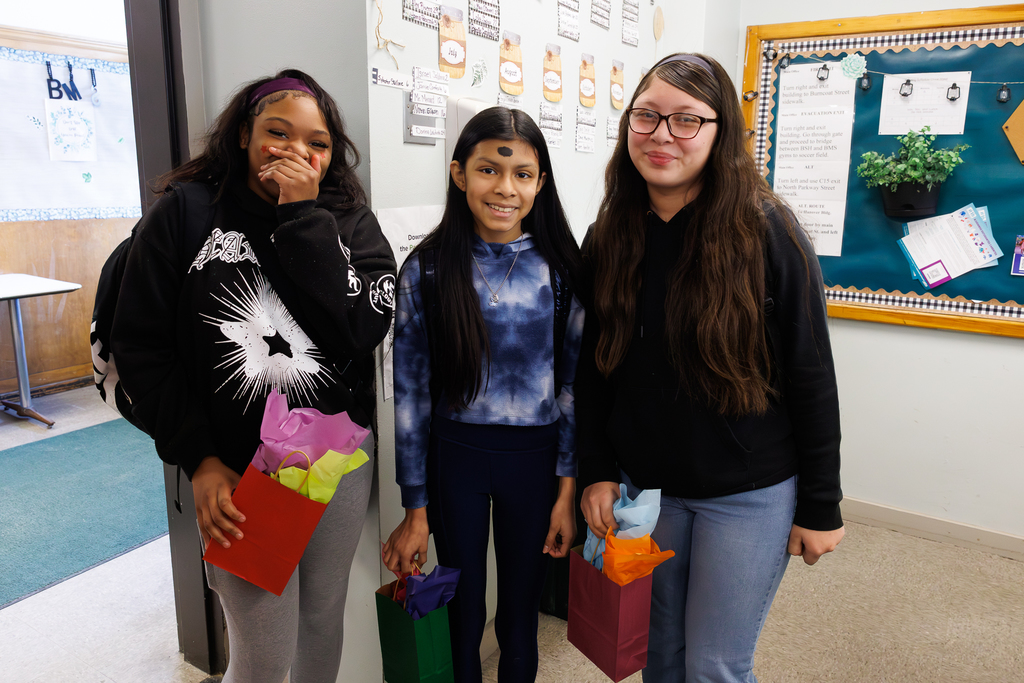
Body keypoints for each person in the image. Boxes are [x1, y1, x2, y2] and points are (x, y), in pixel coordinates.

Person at [110, 69, 396, 683]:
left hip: (335, 457)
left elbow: (363, 328)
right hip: (239, 471)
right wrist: (201, 459)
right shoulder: (185, 213)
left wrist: (303, 215)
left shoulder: (348, 219)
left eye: (317, 143)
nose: (297, 152)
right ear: (244, 135)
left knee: (322, 621)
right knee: (263, 650)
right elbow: (142, 347)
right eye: (277, 133)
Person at [576, 53, 845, 683]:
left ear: (722, 131)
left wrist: (821, 504)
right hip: (647, 492)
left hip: (747, 494)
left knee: (714, 665)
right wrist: (596, 471)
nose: (662, 135)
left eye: (687, 120)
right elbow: (593, 371)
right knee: (658, 655)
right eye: (647, 115)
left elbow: (811, 373)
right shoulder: (609, 235)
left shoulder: (769, 231)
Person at [382, 107, 585, 683]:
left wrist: (566, 491)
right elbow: (411, 396)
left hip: (535, 462)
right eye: (489, 170)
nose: (505, 188)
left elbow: (573, 388)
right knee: (462, 613)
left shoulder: (562, 270)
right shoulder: (426, 270)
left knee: (519, 616)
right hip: (456, 461)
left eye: (523, 174)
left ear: (540, 183)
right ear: (459, 174)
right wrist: (414, 508)